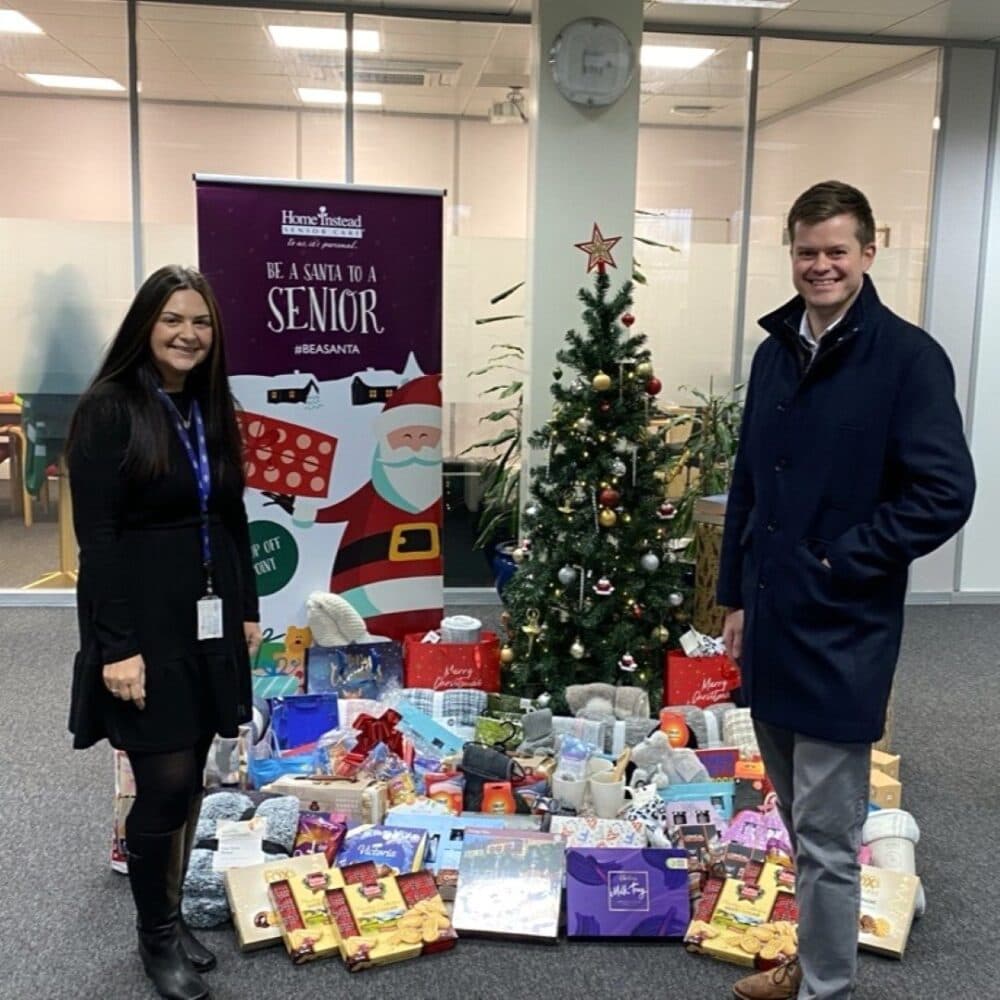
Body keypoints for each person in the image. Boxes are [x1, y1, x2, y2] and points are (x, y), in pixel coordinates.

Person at [717, 181, 975, 1000]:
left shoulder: (908, 359)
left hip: (843, 626)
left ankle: (827, 987)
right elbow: (749, 480)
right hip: (771, 618)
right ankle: (816, 955)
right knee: (796, 819)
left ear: (869, 251)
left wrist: (844, 560)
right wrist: (734, 596)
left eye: (836, 250)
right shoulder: (773, 351)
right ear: (790, 254)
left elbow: (944, 493)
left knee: (829, 833)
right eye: (806, 251)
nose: (820, 265)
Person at [67, 266, 261, 1000]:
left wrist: (247, 606)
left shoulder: (212, 405)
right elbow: (100, 537)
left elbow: (233, 515)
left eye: (202, 323)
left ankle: (171, 915)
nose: (188, 335)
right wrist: (117, 646)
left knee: (195, 778)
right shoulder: (109, 410)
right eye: (174, 320)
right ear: (146, 323)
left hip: (207, 615)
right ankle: (155, 941)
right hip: (142, 620)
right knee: (163, 780)